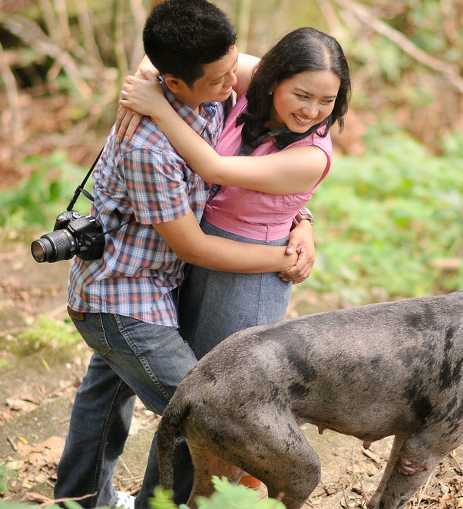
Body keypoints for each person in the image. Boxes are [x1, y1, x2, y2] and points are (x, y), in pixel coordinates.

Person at [53, 2, 316, 509]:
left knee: (105, 395)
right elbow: (192, 245)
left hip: (156, 285)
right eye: (218, 81)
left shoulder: (211, 78)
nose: (232, 85)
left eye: (232, 67)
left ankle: (80, 501)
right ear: (174, 83)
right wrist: (280, 258)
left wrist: (303, 219)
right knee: (199, 411)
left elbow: (282, 114)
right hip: (121, 299)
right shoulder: (148, 147)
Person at [118, 27, 351, 364]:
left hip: (251, 270)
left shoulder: (312, 156)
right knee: (190, 374)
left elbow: (214, 169)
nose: (313, 111)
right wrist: (143, 81)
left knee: (225, 384)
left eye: (327, 101)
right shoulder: (253, 80)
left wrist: (157, 107)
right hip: (199, 252)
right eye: (302, 95)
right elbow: (176, 57)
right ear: (274, 80)